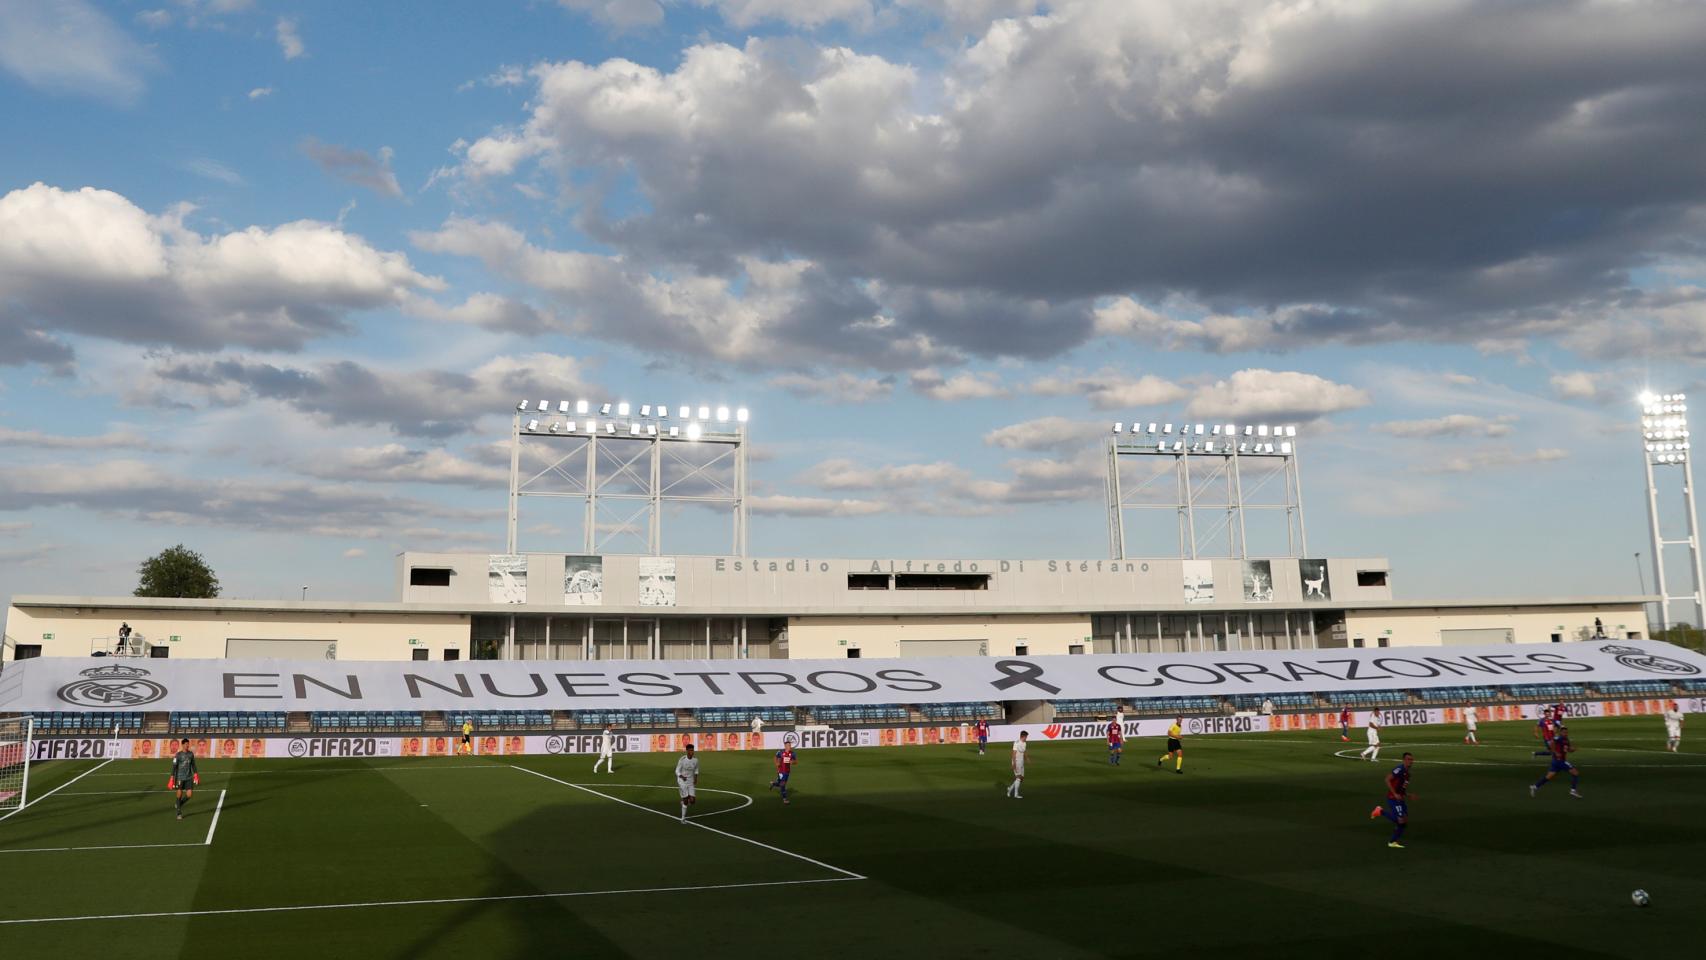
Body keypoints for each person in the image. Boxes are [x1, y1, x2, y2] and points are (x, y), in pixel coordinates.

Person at [1368, 752, 1414, 849]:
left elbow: (1402, 788)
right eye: (1408, 759)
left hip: (1400, 798)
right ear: (1404, 760)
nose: (1410, 761)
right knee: (1401, 820)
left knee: (1404, 821)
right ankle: (1380, 811)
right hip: (1393, 798)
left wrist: (1407, 794)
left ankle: (1393, 841)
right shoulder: (1399, 769)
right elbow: (1387, 779)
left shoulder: (1408, 774)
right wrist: (1395, 794)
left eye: (1411, 759)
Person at [1531, 723, 1581, 799]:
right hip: (1560, 761)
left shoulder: (1566, 740)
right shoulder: (1558, 738)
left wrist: (1573, 749)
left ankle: (1535, 787)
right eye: (1564, 732)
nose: (1565, 733)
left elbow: (1568, 749)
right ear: (1561, 732)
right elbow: (1551, 744)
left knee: (1548, 777)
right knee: (1575, 773)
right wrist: (1555, 752)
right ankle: (1573, 791)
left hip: (1556, 762)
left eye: (1566, 732)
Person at [168, 738, 199, 821]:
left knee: (189, 795)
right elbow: (174, 766)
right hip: (179, 777)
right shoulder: (178, 755)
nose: (187, 745)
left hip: (189, 777)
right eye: (186, 744)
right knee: (179, 794)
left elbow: (193, 765)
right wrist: (171, 777)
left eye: (188, 744)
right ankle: (179, 812)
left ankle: (179, 804)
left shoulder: (191, 754)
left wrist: (195, 774)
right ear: (182, 745)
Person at [676, 743, 699, 821]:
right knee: (686, 801)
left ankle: (684, 800)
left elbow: (696, 769)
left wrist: (696, 778)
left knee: (692, 801)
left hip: (690, 781)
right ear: (687, 751)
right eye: (690, 750)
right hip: (682, 781)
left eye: (693, 750)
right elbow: (677, 771)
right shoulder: (682, 760)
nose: (692, 752)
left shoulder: (695, 760)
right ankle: (683, 818)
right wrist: (682, 776)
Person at [1005, 731, 1028, 798]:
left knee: (1021, 778)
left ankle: (1010, 789)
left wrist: (1027, 758)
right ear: (1023, 736)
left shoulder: (1024, 743)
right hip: (1017, 762)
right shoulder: (1016, 743)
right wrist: (1014, 763)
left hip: (1021, 762)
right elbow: (1013, 754)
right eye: (1026, 737)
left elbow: (1024, 751)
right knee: (1018, 777)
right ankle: (1016, 794)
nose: (1026, 738)